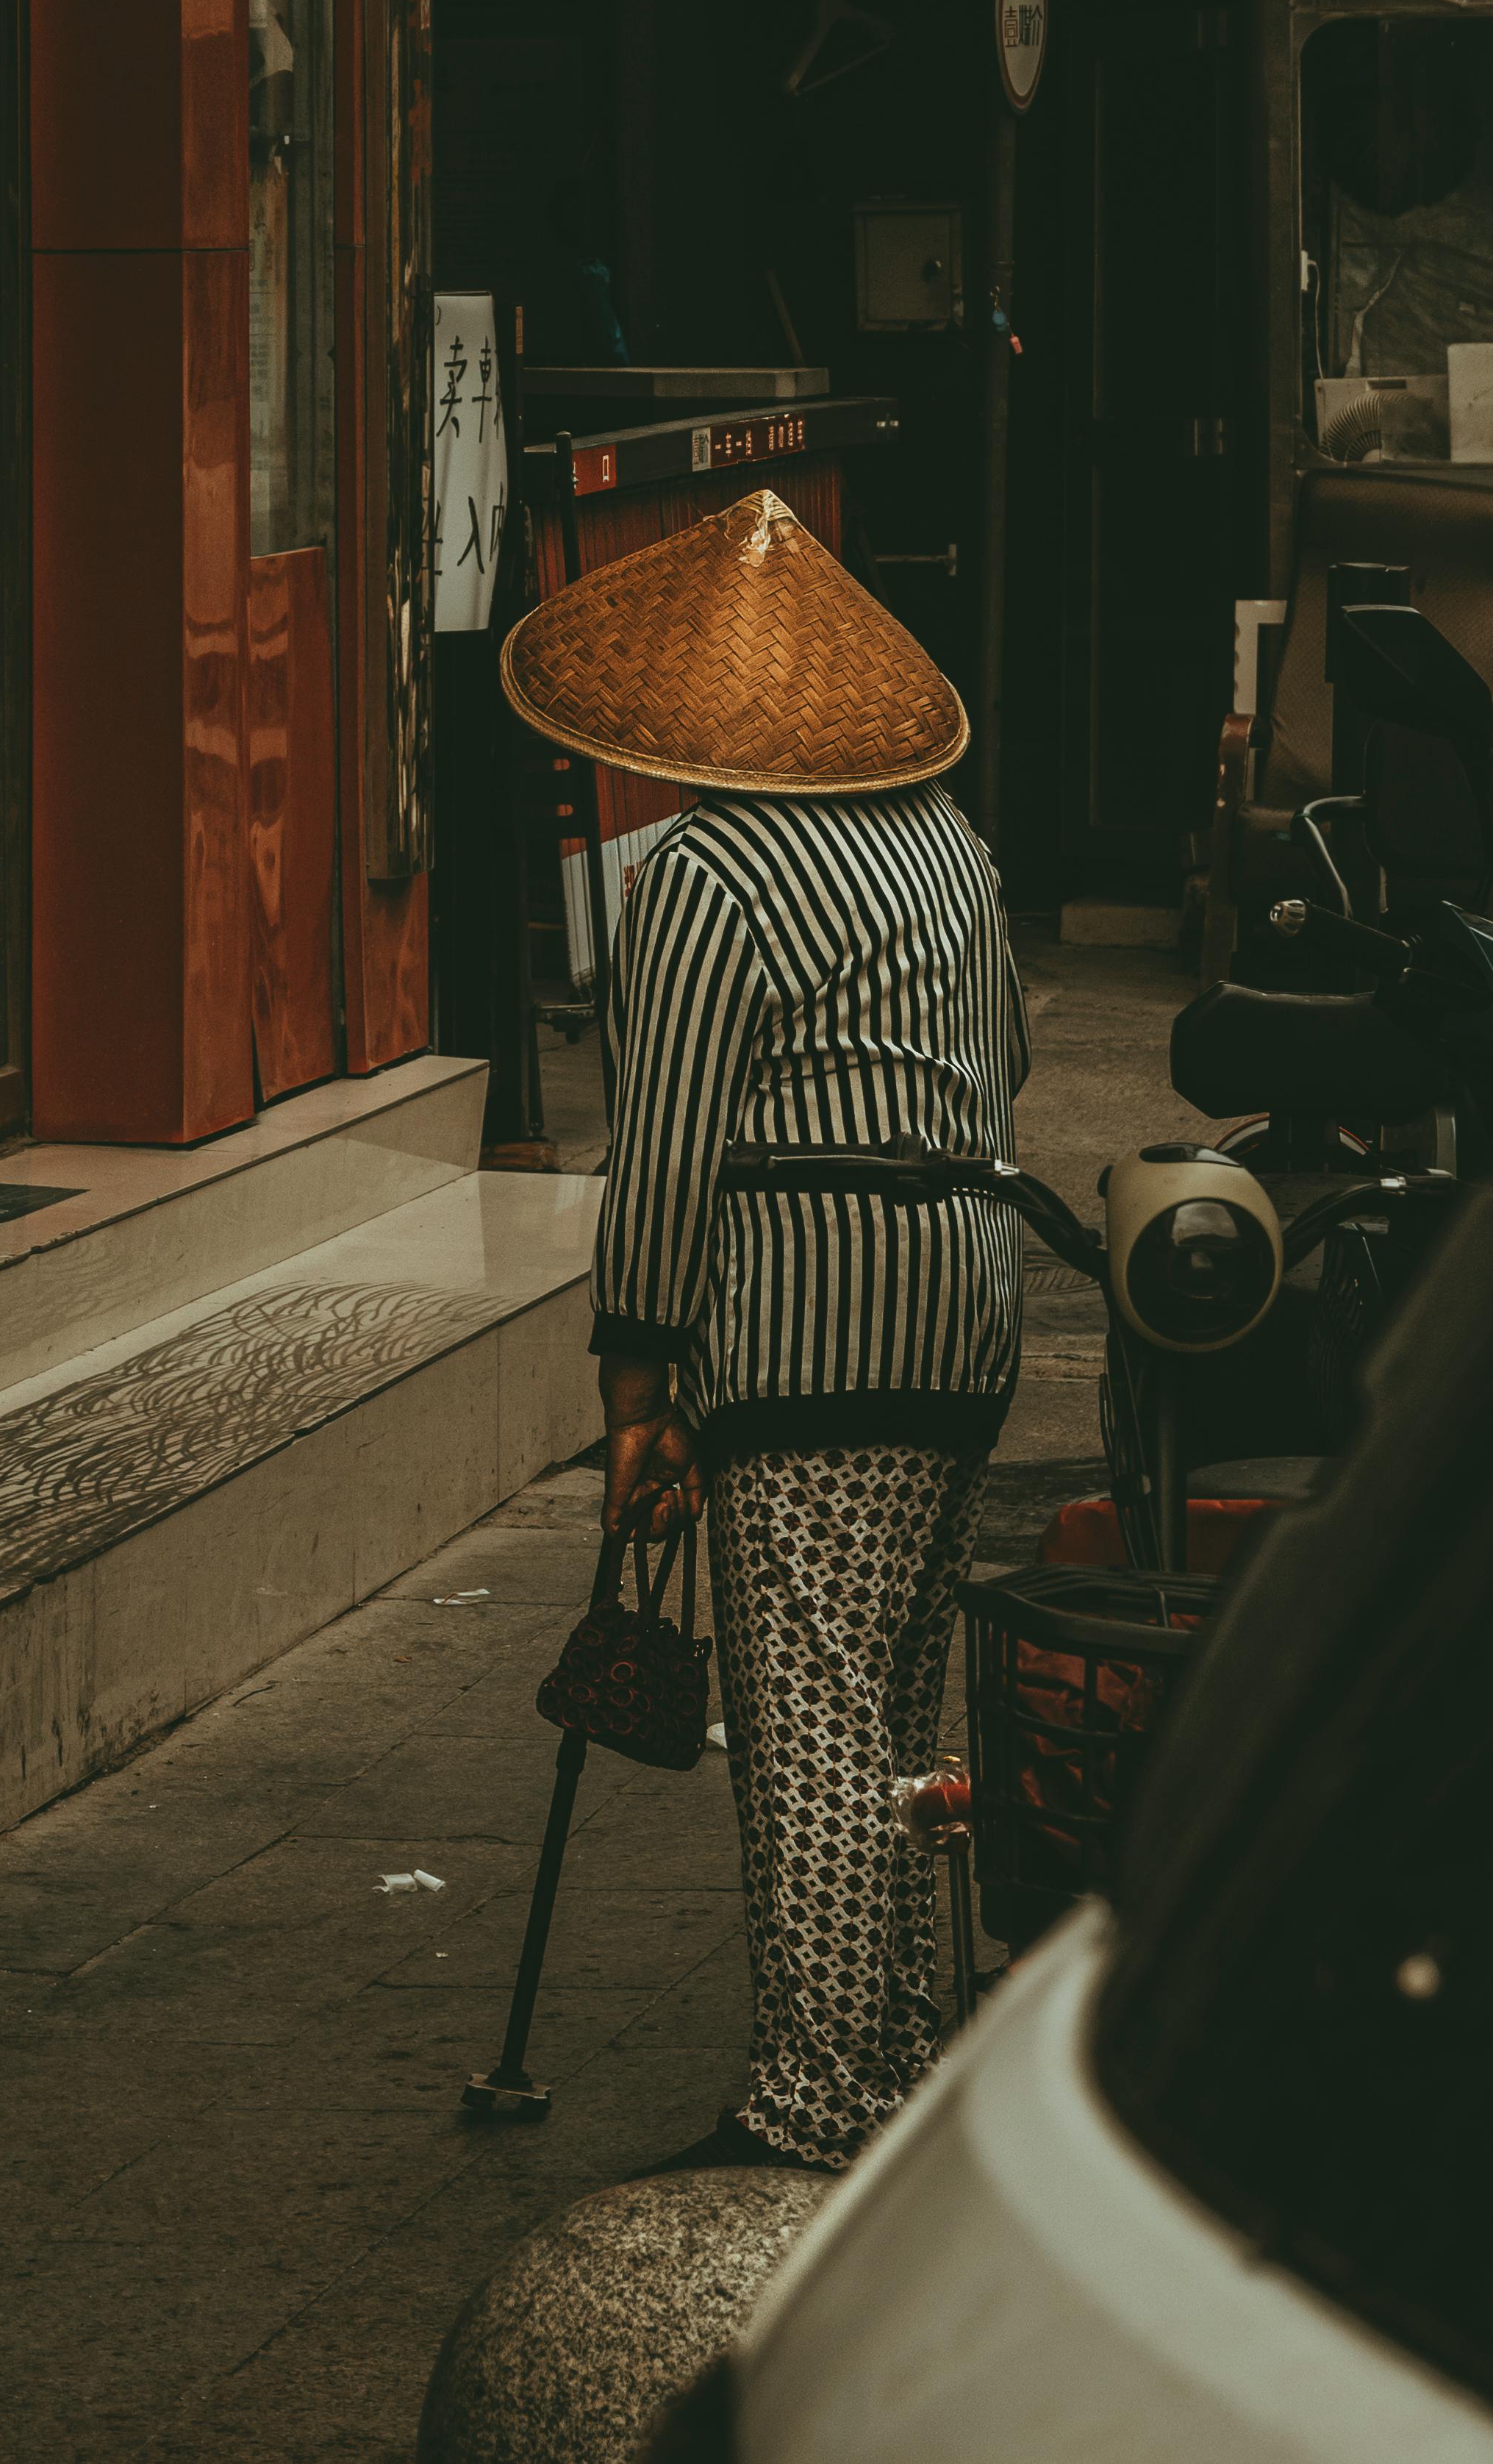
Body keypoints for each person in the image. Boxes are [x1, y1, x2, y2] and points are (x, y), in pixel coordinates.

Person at [501, 489, 1028, 2174]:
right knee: (889, 1697)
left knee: (806, 1705)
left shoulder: (710, 868)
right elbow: (1005, 1055)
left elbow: (666, 1141)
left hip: (807, 1325)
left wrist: (636, 1373)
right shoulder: (953, 840)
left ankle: (813, 2099)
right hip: (964, 1305)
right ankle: (892, 2064)